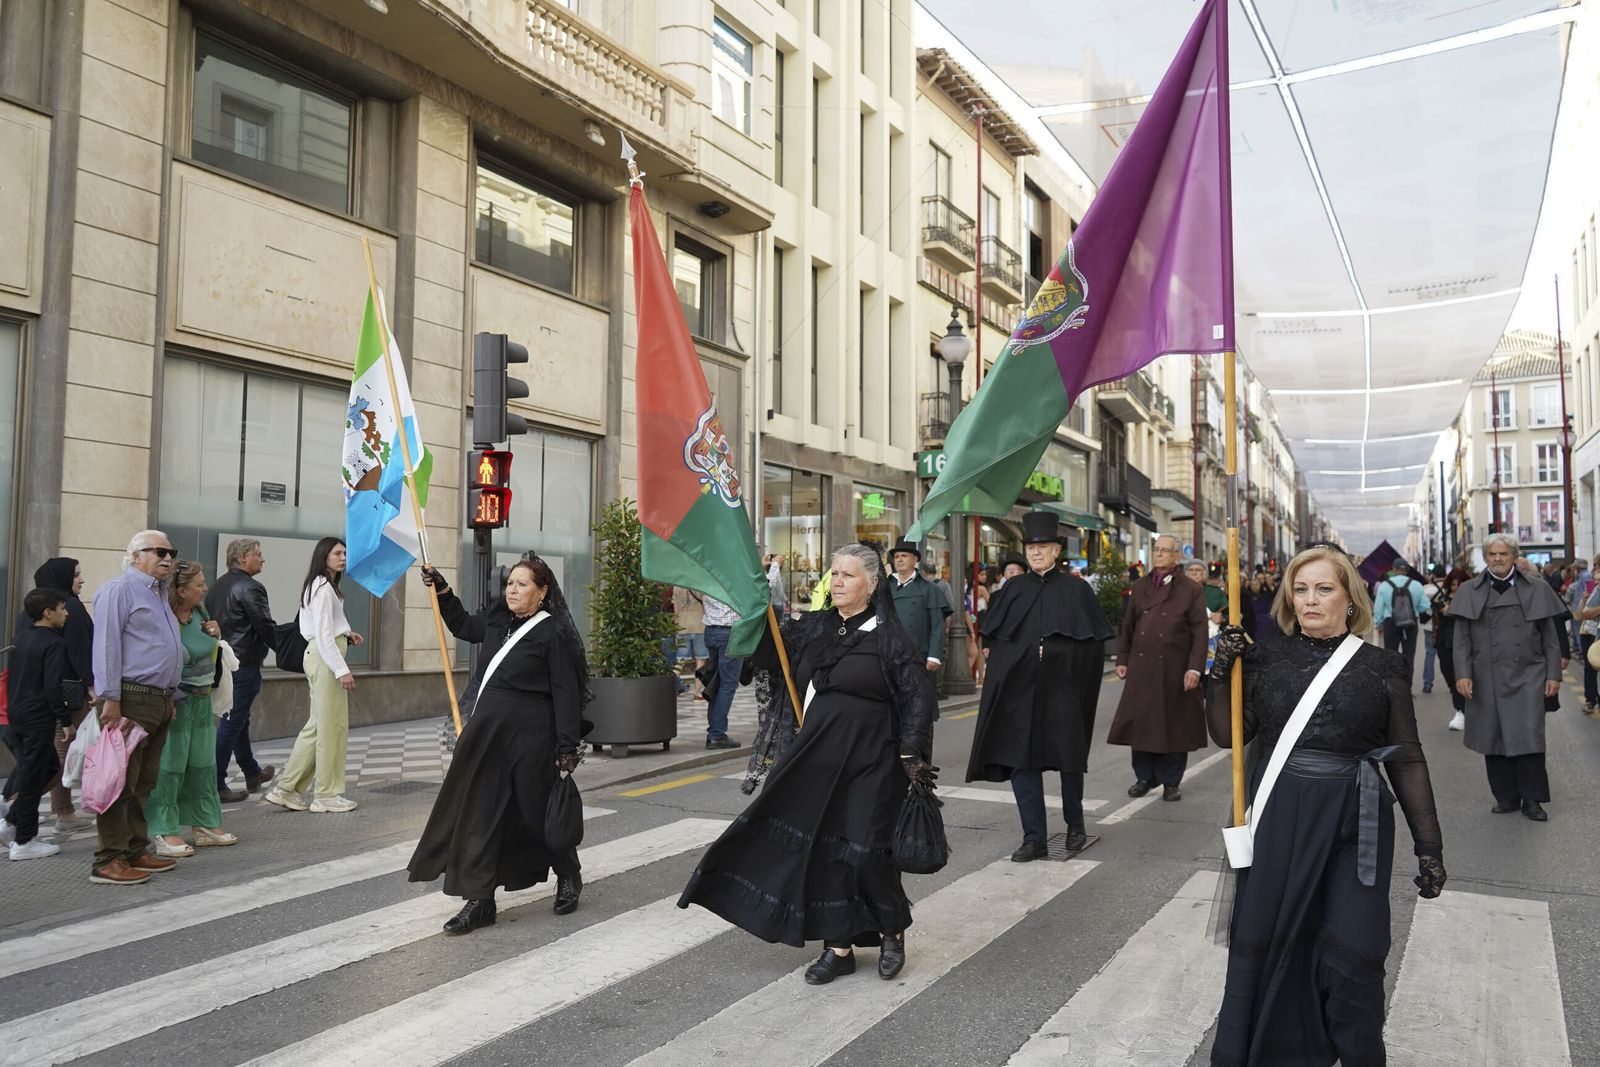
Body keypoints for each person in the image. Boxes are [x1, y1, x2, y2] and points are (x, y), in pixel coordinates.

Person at [1206, 545, 1445, 1066]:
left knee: (1355, 952)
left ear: (1350, 598)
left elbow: (1405, 759)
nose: (1310, 599)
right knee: (1273, 945)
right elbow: (1227, 736)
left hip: (1355, 826)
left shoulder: (1383, 667)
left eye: (1324, 588)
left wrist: (1430, 846)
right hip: (1280, 819)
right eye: (1301, 588)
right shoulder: (1264, 658)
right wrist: (1221, 673)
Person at [679, 543, 935, 984]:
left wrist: (911, 753)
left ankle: (892, 932)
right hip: (816, 754)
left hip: (873, 759)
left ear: (872, 584)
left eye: (848, 575)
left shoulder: (892, 636)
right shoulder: (815, 626)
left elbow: (916, 699)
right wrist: (758, 619)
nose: (837, 581)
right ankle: (839, 947)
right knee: (825, 849)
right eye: (834, 574)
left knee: (866, 851)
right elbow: (772, 655)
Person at [408, 558, 589, 933]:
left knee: (534, 814)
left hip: (531, 739)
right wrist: (442, 590)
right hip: (487, 736)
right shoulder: (495, 621)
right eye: (510, 583)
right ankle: (480, 901)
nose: (512, 589)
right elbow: (460, 625)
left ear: (542, 592)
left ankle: (568, 872)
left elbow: (564, 691)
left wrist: (567, 745)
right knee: (481, 816)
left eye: (522, 585)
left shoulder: (550, 633)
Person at [968, 510, 1113, 859]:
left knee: (1069, 759)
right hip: (1021, 693)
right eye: (1031, 547)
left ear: (1056, 551)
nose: (1035, 553)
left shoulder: (1077, 590)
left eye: (1043, 547)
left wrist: (1063, 658)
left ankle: (1075, 825)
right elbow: (998, 645)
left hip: (1064, 691)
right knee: (1021, 761)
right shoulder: (1013, 590)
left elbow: (1093, 649)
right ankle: (1033, 837)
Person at [90, 530, 185, 885]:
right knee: (120, 781)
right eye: (158, 551)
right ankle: (107, 859)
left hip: (158, 699)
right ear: (135, 556)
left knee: (144, 780)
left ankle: (133, 849)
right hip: (130, 696)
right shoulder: (119, 590)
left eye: (170, 551)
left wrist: (171, 697)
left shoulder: (159, 593)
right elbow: (107, 647)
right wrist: (110, 696)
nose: (167, 557)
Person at [1448, 534, 1564, 821]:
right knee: (1493, 737)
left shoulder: (1537, 588)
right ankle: (1506, 797)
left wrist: (1554, 674)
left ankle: (1533, 800)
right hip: (1485, 677)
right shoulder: (1468, 590)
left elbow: (1550, 638)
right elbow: (1460, 640)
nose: (1498, 559)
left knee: (1530, 738)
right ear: (1485, 558)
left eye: (1503, 554)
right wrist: (1462, 675)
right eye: (1492, 554)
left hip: (1529, 675)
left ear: (1514, 556)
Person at [264, 537, 364, 814]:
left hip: (321, 658)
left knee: (319, 725)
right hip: (324, 660)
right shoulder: (321, 587)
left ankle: (287, 789)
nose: (343, 558)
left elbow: (325, 627)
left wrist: (346, 632)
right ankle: (326, 794)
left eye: (345, 553)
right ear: (324, 557)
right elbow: (321, 634)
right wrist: (341, 669)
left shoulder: (325, 586)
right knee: (331, 728)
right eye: (337, 553)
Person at [1108, 535, 1208, 802]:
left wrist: (1195, 668)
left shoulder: (1191, 589)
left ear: (1177, 556)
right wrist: (1122, 659)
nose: (1160, 554)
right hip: (1141, 667)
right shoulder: (1140, 586)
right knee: (1141, 724)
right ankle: (1144, 776)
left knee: (1175, 725)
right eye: (1157, 549)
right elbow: (1128, 625)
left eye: (1166, 550)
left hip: (1175, 668)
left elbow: (1200, 631)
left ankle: (1171, 781)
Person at [149, 560, 236, 856]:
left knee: (202, 764)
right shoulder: (163, 618)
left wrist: (216, 635)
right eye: (199, 584)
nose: (205, 588)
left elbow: (209, 649)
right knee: (171, 766)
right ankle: (163, 828)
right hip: (175, 702)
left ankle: (203, 823)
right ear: (181, 590)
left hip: (202, 700)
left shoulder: (200, 611)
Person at [0, 589, 86, 860]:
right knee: (35, 773)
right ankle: (23, 840)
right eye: (62, 608)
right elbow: (53, 687)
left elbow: (13, 680)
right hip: (38, 718)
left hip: (18, 714)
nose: (67, 612)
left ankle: (12, 821)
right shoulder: (54, 644)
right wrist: (65, 721)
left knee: (46, 767)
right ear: (47, 613)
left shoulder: (21, 639)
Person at [12, 558, 94, 834]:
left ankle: (42, 808)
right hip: (65, 693)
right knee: (61, 752)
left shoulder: (30, 610)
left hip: (29, 699)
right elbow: (80, 650)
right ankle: (21, 807)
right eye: (77, 575)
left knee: (47, 754)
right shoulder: (68, 608)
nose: (81, 580)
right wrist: (92, 685)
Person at [205, 538, 278, 803]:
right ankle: (215, 782)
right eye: (258, 554)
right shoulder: (251, 587)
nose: (262, 559)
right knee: (233, 721)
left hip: (224, 662)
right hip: (244, 664)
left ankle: (252, 772)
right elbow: (264, 625)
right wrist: (287, 649)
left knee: (239, 719)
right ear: (243, 557)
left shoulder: (217, 587)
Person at [887, 540, 951, 674]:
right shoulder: (885, 587)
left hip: (919, 655)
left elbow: (937, 625)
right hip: (889, 654)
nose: (899, 560)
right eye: (897, 557)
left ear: (915, 559)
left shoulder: (929, 589)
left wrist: (934, 656)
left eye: (904, 556)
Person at [1373, 562, 1429, 690]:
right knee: (1409, 656)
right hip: (1410, 623)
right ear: (1408, 570)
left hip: (1390, 623)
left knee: (1391, 655)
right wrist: (1413, 609)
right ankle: (1406, 688)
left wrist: (1378, 623)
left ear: (1393, 569)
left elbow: (1378, 609)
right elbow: (1425, 606)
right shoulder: (1416, 585)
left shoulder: (1384, 585)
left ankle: (1392, 687)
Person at [700, 593, 743, 749]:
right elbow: (764, 588)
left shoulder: (709, 577)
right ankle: (716, 735)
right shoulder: (732, 579)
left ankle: (714, 732)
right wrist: (773, 568)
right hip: (729, 632)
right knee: (727, 685)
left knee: (716, 683)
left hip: (710, 631)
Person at [671, 586, 708, 698]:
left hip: (683, 627)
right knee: (700, 661)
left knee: (680, 661)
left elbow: (676, 610)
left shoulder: (676, 587)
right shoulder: (700, 585)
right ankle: (697, 694)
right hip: (700, 626)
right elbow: (706, 606)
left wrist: (677, 625)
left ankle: (668, 686)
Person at [1576, 554, 1600, 715]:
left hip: (1592, 631)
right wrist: (1584, 599)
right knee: (1591, 667)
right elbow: (1581, 614)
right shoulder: (1592, 587)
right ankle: (1591, 699)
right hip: (1590, 631)